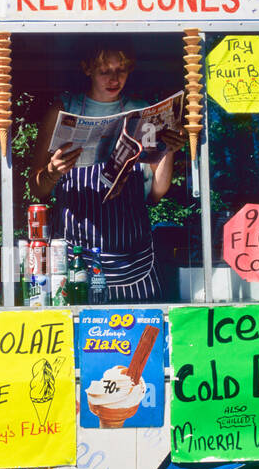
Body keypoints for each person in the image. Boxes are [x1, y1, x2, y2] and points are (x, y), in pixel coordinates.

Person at [29, 43, 183, 302]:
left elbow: (157, 192)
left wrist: (168, 150)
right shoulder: (63, 110)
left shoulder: (141, 110)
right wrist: (52, 172)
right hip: (76, 260)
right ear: (87, 69)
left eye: (121, 70)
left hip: (134, 261)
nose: (114, 79)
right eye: (105, 71)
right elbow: (37, 188)